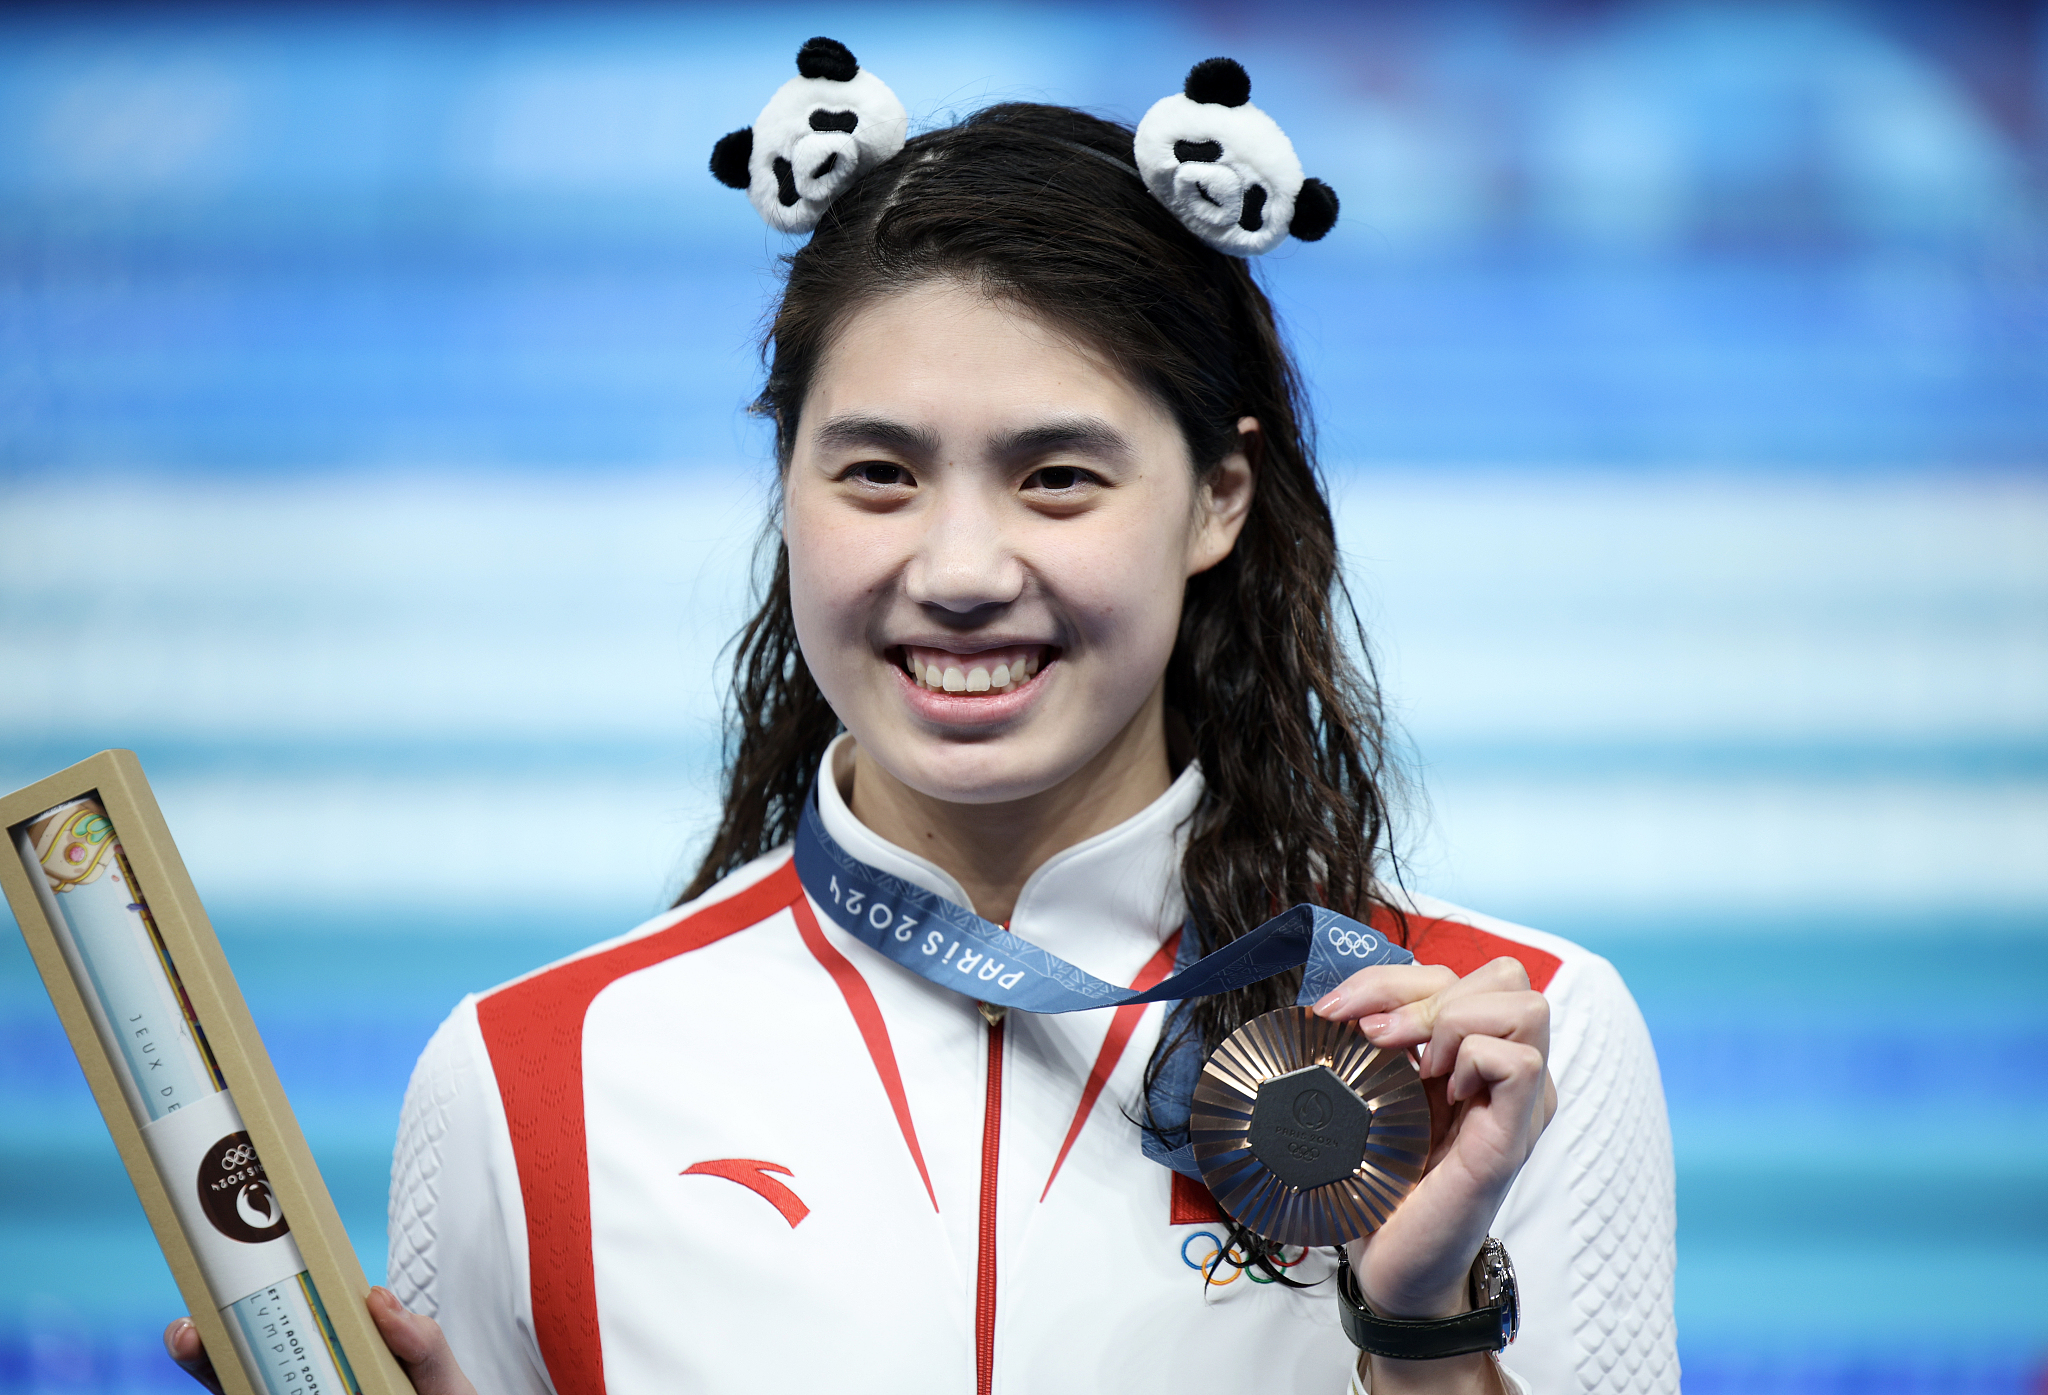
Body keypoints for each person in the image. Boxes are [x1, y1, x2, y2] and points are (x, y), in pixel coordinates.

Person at [168, 47, 1675, 1395]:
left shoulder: (1495, 1045)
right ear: (787, 486)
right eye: (878, 473)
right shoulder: (532, 1073)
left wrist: (1422, 1336)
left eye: (1057, 478)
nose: (958, 573)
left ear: (1221, 497)